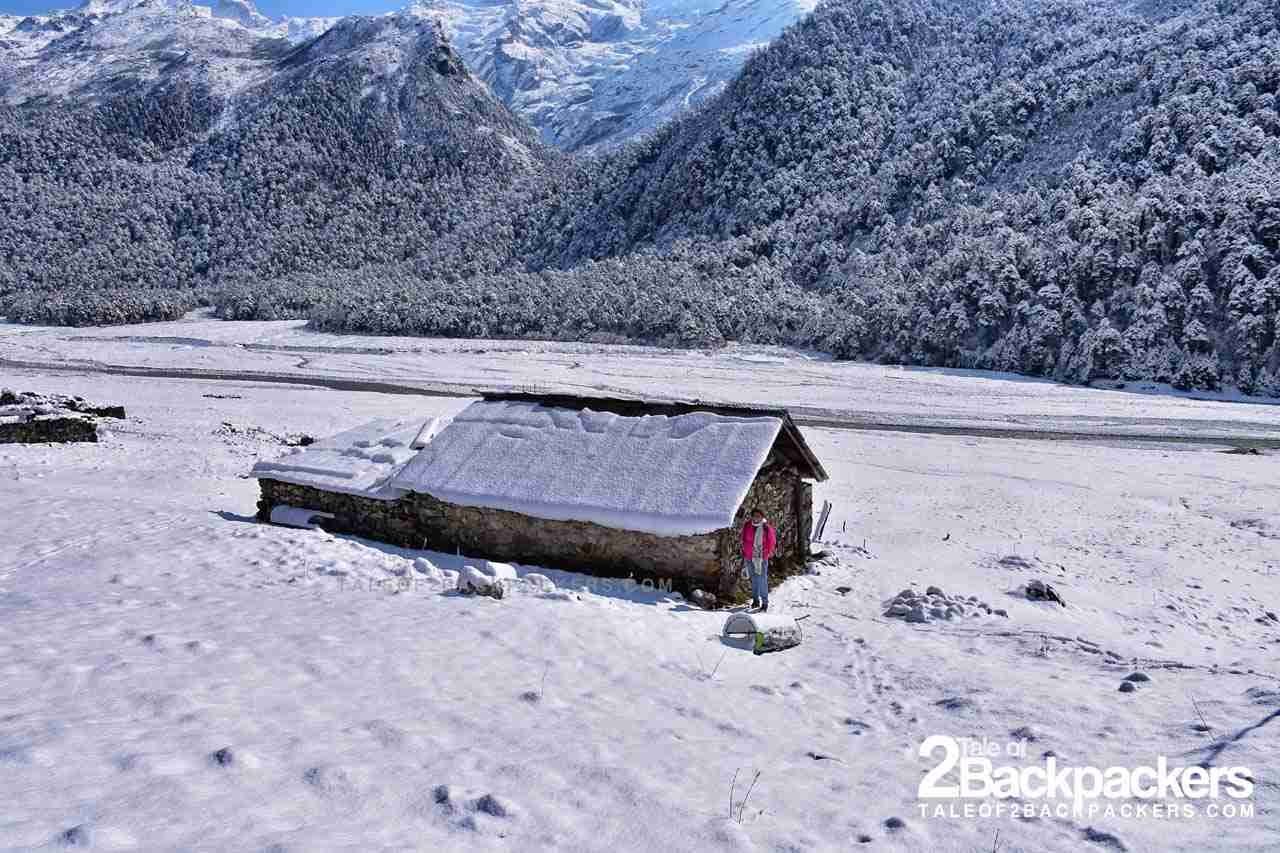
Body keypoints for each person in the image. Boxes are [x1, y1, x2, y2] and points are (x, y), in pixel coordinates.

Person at [741, 507, 776, 612]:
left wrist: (765, 554)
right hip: (749, 556)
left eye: (758, 516)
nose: (756, 518)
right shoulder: (747, 525)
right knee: (754, 579)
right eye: (754, 516)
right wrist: (745, 551)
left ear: (762, 517)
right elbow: (743, 539)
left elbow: (772, 542)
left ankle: (765, 603)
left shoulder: (766, 528)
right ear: (751, 516)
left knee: (762, 580)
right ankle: (755, 600)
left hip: (761, 558)